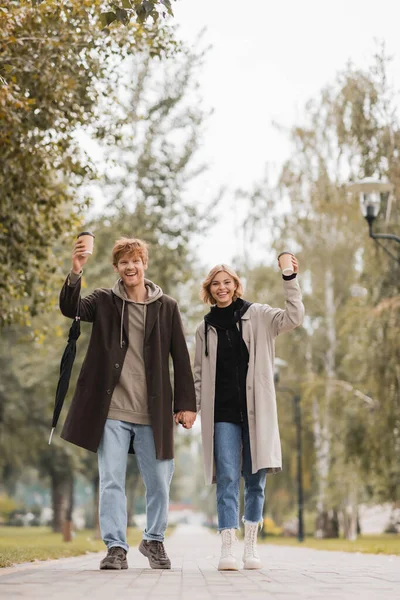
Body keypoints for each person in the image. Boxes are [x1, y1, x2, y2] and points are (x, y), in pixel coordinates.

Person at [59, 237, 196, 570]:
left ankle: (153, 540)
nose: (130, 267)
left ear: (144, 263)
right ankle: (116, 547)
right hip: (112, 411)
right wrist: (76, 271)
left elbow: (180, 356)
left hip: (154, 411)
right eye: (124, 262)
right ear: (116, 267)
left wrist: (187, 403)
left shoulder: (167, 306)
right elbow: (72, 309)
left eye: (136, 260)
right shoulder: (104, 300)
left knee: (160, 481)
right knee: (111, 480)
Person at [194, 256, 304, 571]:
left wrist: (289, 277)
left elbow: (294, 317)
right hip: (222, 415)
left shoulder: (258, 315)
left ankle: (251, 546)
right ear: (209, 290)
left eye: (227, 282)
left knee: (255, 479)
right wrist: (195, 411)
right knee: (227, 477)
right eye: (216, 283)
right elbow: (198, 376)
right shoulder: (204, 328)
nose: (222, 288)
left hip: (258, 413)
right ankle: (228, 548)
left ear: (236, 285)